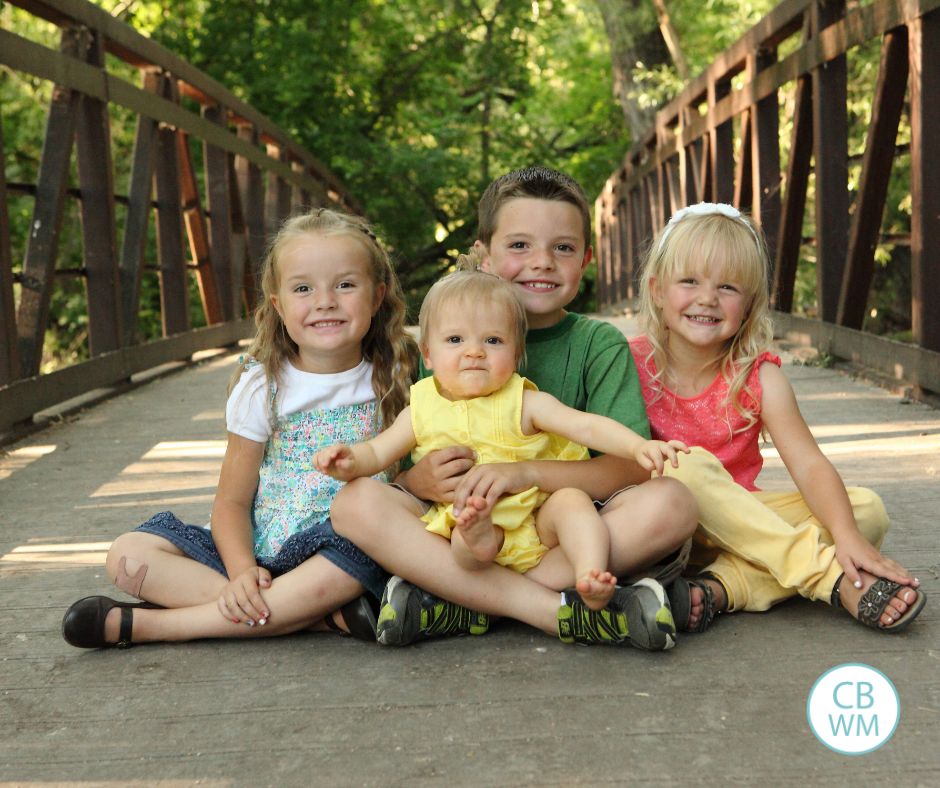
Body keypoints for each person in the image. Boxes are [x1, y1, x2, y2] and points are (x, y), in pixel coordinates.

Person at [330, 166, 698, 650]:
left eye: (563, 248)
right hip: (463, 525)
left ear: (586, 259)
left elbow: (625, 470)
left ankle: (453, 602)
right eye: (519, 246)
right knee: (353, 502)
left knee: (673, 503)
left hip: (556, 530)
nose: (541, 262)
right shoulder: (447, 338)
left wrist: (523, 473)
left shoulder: (597, 344)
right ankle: (550, 611)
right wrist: (415, 481)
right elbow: (410, 453)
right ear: (483, 256)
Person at [61, 208, 417, 648]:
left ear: (377, 295)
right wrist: (242, 572)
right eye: (303, 288)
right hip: (260, 548)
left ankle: (156, 627)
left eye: (345, 285)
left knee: (354, 564)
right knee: (127, 556)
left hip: (341, 550)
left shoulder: (398, 374)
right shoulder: (263, 385)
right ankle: (316, 617)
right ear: (278, 304)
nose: (325, 300)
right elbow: (231, 502)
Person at [630, 201, 926, 633]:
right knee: (681, 464)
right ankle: (828, 577)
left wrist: (846, 535)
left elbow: (808, 464)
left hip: (747, 527)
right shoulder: (630, 363)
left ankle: (718, 590)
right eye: (689, 281)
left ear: (749, 304)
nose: (708, 298)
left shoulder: (758, 377)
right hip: (665, 531)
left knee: (865, 512)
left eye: (728, 288)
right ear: (657, 289)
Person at [316, 270, 688, 615]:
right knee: (461, 530)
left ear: (515, 352)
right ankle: (536, 601)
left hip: (540, 525)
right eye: (455, 340)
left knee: (573, 503)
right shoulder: (421, 407)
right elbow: (378, 452)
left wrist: (637, 447)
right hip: (474, 527)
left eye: (492, 341)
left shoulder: (524, 400)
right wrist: (349, 460)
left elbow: (586, 427)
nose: (474, 351)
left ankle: (588, 575)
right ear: (428, 354)